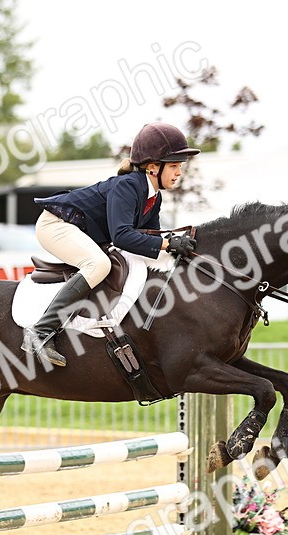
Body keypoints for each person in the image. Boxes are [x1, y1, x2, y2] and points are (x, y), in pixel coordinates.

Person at [24, 122, 199, 367]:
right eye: (173, 165)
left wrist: (175, 246)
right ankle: (41, 331)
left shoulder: (153, 197)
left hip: (76, 229)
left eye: (179, 166)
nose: (179, 172)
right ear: (152, 168)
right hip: (55, 225)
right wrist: (167, 243)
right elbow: (123, 237)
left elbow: (149, 239)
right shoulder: (128, 186)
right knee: (98, 264)